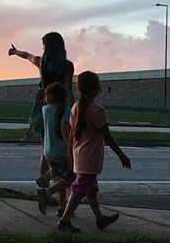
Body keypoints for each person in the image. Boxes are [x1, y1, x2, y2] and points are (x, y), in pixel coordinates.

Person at [57, 71, 131, 233]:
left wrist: (70, 151)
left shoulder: (76, 107)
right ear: (97, 88)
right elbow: (108, 137)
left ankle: (100, 219)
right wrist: (122, 155)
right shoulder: (98, 111)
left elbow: (71, 133)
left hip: (80, 155)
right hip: (90, 158)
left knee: (90, 189)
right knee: (79, 189)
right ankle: (64, 221)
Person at [8, 32, 75, 188]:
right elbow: (69, 91)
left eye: (44, 45)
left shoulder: (41, 62)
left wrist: (14, 52)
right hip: (61, 110)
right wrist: (73, 112)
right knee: (64, 149)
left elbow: (27, 55)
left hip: (45, 109)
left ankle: (45, 187)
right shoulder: (67, 65)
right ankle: (58, 190)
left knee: (46, 150)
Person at [37, 82, 75, 217]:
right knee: (70, 178)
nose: (44, 97)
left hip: (48, 152)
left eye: (46, 95)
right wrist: (70, 149)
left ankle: (62, 207)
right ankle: (46, 192)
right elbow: (64, 129)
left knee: (59, 180)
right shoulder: (66, 111)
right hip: (60, 151)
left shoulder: (45, 110)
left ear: (51, 97)